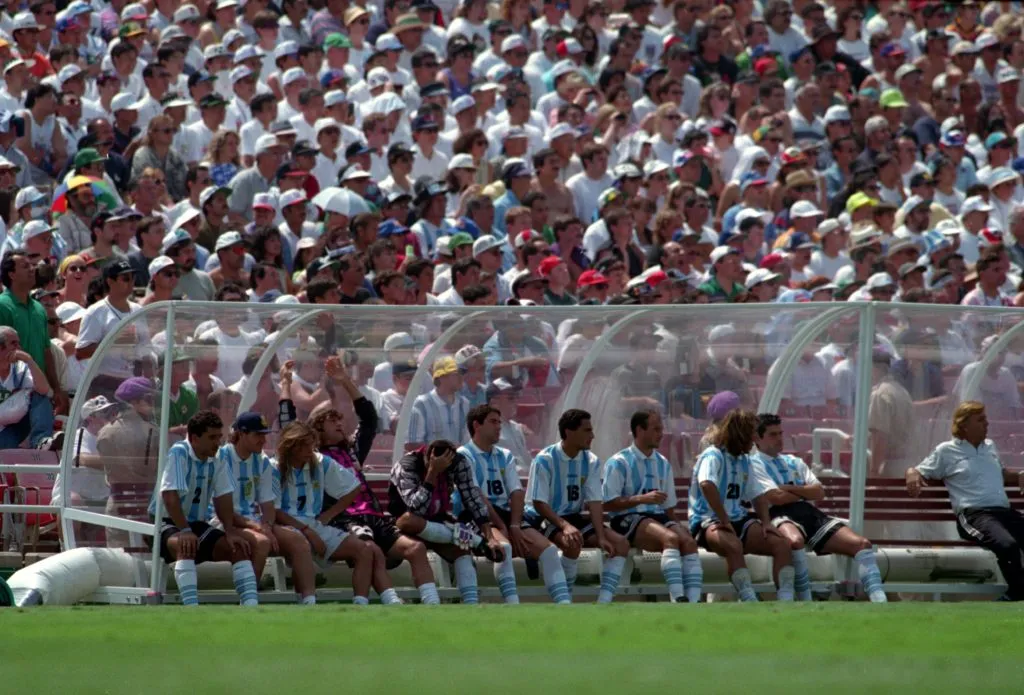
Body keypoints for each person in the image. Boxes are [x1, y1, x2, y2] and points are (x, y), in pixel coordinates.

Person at [754, 413, 887, 603]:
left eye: (781, 434)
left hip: (807, 513)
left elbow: (819, 492)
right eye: (773, 435)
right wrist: (802, 491)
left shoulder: (794, 461)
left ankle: (880, 602)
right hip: (777, 515)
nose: (779, 439)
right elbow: (775, 498)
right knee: (795, 541)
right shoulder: (753, 464)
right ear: (757, 438)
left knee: (862, 545)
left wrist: (789, 488)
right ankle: (805, 599)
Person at [907, 401, 1024, 602]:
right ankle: (1016, 594)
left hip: (1003, 512)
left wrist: (1020, 475)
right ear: (964, 425)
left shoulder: (990, 447)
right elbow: (919, 469)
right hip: (975, 515)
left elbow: (1001, 474)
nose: (987, 424)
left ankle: (1018, 592)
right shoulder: (947, 451)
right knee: (1007, 545)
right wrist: (911, 473)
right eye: (980, 420)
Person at [458, 404, 572, 604]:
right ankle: (513, 607)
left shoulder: (505, 454)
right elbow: (477, 497)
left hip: (506, 516)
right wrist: (503, 527)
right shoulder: (463, 455)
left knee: (549, 551)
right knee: (505, 548)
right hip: (475, 516)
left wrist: (514, 525)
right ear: (476, 425)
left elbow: (517, 492)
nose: (498, 427)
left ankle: (565, 606)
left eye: (499, 423)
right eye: (493, 422)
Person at [273, 421, 395, 605]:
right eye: (304, 445)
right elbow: (273, 510)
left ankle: (360, 604)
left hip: (314, 523)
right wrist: (307, 530)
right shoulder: (273, 467)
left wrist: (329, 515)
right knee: (301, 545)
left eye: (311, 444)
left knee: (364, 549)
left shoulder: (320, 462)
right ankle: (307, 602)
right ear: (291, 446)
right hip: (284, 526)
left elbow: (353, 487)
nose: (309, 449)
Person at [149, 410, 260, 606]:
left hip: (195, 525)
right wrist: (184, 530)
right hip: (165, 523)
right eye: (212, 437)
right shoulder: (179, 452)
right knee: (186, 545)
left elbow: (223, 496)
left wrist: (230, 531)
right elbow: (170, 496)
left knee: (237, 549)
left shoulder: (216, 459)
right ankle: (192, 609)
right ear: (194, 438)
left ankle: (251, 608)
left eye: (219, 437)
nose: (217, 442)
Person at [524, 408, 630, 603]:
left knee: (620, 543)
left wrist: (600, 537)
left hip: (573, 517)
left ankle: (603, 603)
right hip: (546, 517)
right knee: (572, 543)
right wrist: (564, 526)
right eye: (587, 430)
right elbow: (538, 502)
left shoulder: (591, 461)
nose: (593, 435)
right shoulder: (545, 459)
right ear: (568, 432)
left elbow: (595, 502)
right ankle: (565, 600)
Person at [688, 408, 794, 602]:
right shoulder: (713, 456)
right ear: (739, 433)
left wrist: (766, 523)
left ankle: (786, 601)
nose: (754, 439)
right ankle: (749, 599)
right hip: (709, 520)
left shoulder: (745, 460)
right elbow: (707, 484)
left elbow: (758, 495)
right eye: (751, 433)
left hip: (736, 519)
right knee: (734, 545)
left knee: (781, 544)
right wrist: (724, 518)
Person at [217, 411, 317, 604]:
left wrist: (269, 526)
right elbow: (224, 508)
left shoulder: (261, 462)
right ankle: (249, 601)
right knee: (262, 542)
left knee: (298, 541)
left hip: (251, 523)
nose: (263, 440)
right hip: (221, 521)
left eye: (265, 434)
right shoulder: (221, 457)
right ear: (241, 434)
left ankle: (309, 602)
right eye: (258, 435)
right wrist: (260, 528)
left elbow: (268, 504)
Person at [388, 437, 505, 604]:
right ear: (429, 458)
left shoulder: (457, 462)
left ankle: (471, 605)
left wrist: (490, 536)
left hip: (438, 523)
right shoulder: (407, 465)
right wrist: (433, 473)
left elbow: (472, 498)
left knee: (462, 549)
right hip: (403, 525)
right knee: (411, 521)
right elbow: (416, 508)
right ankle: (475, 541)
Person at [603, 409, 703, 603]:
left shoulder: (662, 462)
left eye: (661, 429)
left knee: (689, 542)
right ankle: (678, 598)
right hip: (627, 519)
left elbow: (668, 507)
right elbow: (608, 503)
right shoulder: (619, 462)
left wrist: (678, 524)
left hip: (657, 518)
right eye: (656, 429)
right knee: (670, 538)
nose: (661, 433)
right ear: (639, 430)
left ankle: (694, 600)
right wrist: (641, 499)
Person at [406, 356, 470, 449]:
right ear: (441, 377)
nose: (461, 377)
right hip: (429, 462)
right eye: (456, 374)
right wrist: (442, 452)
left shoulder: (465, 404)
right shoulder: (421, 404)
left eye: (462, 373)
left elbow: (467, 440)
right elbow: (411, 444)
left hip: (458, 462)